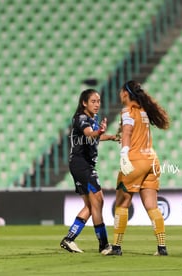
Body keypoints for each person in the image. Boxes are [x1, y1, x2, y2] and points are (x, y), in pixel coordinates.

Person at [103, 80, 170, 256]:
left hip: (136, 160)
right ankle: (161, 247)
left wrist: (124, 154)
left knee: (122, 203)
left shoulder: (128, 111)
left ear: (126, 93)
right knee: (152, 206)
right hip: (152, 161)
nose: (119, 95)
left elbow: (127, 132)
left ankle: (116, 247)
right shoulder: (144, 111)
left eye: (120, 91)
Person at [60, 88, 116, 254]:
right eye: (93, 101)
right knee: (98, 201)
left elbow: (95, 136)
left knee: (91, 206)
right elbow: (90, 134)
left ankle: (69, 239)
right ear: (84, 103)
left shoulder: (93, 118)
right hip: (82, 164)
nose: (97, 104)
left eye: (98, 101)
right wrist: (99, 131)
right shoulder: (81, 118)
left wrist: (112, 137)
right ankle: (104, 245)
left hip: (81, 164)